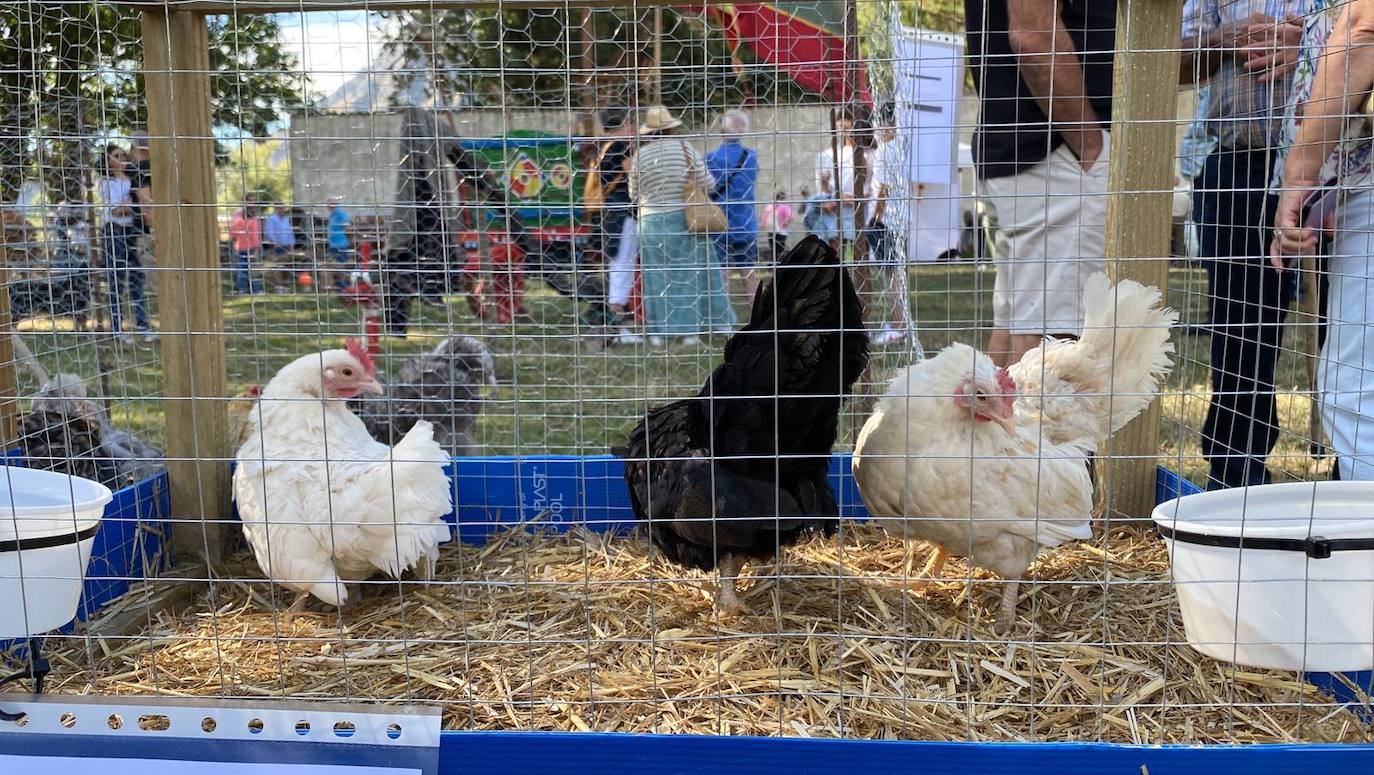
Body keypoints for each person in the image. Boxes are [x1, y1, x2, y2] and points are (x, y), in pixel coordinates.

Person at [1180, 1, 1307, 489]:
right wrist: (1221, 40)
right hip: (1239, 165)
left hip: (1347, 164)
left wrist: (1313, 46)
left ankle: (1354, 475)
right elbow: (1172, 62)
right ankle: (1236, 475)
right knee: (1240, 330)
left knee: (1349, 328)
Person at [965, 0, 1115, 369]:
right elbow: (1031, 35)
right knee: (1053, 346)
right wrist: (1090, 146)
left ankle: (986, 430)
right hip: (1057, 154)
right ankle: (1029, 430)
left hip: (1040, 152)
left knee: (1019, 329)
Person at [1272, 0, 1374, 480]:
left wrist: (1301, 174)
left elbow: (1364, 27)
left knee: (1354, 391)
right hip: (1352, 183)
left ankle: (1366, 548)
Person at [627, 105, 736, 346]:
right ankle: (693, 332)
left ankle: (657, 333)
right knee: (692, 275)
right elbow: (708, 183)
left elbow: (633, 193)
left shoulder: (639, 156)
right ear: (670, 128)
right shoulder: (685, 149)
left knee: (656, 278)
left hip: (650, 223)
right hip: (684, 219)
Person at [863, 103, 913, 346]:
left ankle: (898, 325)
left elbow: (883, 187)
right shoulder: (904, 148)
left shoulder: (886, 151)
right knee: (897, 273)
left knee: (891, 274)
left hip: (884, 221)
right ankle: (900, 322)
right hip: (899, 219)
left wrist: (876, 217)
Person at [97, 144, 151, 342]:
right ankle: (117, 328)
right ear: (108, 161)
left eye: (123, 155)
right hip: (113, 231)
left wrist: (131, 204)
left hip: (131, 231)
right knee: (116, 280)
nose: (122, 158)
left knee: (136, 278)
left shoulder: (133, 179)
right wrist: (133, 203)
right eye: (116, 155)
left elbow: (141, 203)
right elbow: (116, 211)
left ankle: (143, 326)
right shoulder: (105, 183)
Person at [707, 109, 760, 304]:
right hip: (746, 223)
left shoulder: (710, 158)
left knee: (722, 272)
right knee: (749, 273)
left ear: (722, 130)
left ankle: (724, 319)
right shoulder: (751, 157)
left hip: (719, 222)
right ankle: (757, 315)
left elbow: (707, 188)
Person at [812, 112, 857, 252]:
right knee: (834, 246)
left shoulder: (863, 154)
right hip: (834, 208)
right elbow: (822, 185)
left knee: (859, 248)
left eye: (848, 123)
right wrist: (826, 200)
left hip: (857, 207)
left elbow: (869, 184)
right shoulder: (826, 155)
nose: (843, 127)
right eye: (839, 123)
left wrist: (854, 198)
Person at [228, 202, 263, 295]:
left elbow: (233, 234)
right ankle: (256, 290)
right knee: (254, 270)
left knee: (241, 270)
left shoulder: (238, 221)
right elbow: (255, 236)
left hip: (239, 247)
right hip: (250, 248)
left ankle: (242, 289)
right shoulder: (254, 221)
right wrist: (256, 249)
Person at [263, 204, 297, 293]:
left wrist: (291, 244)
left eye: (284, 208)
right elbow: (269, 232)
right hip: (276, 247)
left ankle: (282, 285)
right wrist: (275, 243)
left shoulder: (286, 220)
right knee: (278, 266)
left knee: (284, 266)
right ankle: (278, 286)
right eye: (281, 208)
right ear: (276, 208)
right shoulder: (271, 219)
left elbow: (289, 232)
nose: (283, 210)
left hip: (286, 246)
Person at [326, 197, 354, 290]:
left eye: (329, 203)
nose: (327, 206)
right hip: (333, 245)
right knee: (334, 265)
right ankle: (337, 286)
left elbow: (348, 228)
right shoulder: (332, 214)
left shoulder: (340, 212)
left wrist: (349, 240)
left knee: (339, 266)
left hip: (340, 244)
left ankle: (343, 287)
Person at [760, 190, 794, 261]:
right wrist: (784, 224)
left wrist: (763, 225)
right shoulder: (785, 207)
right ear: (784, 197)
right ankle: (780, 264)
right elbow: (790, 217)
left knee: (773, 248)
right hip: (781, 231)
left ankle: (772, 264)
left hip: (771, 230)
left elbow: (764, 218)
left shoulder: (769, 206)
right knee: (780, 249)